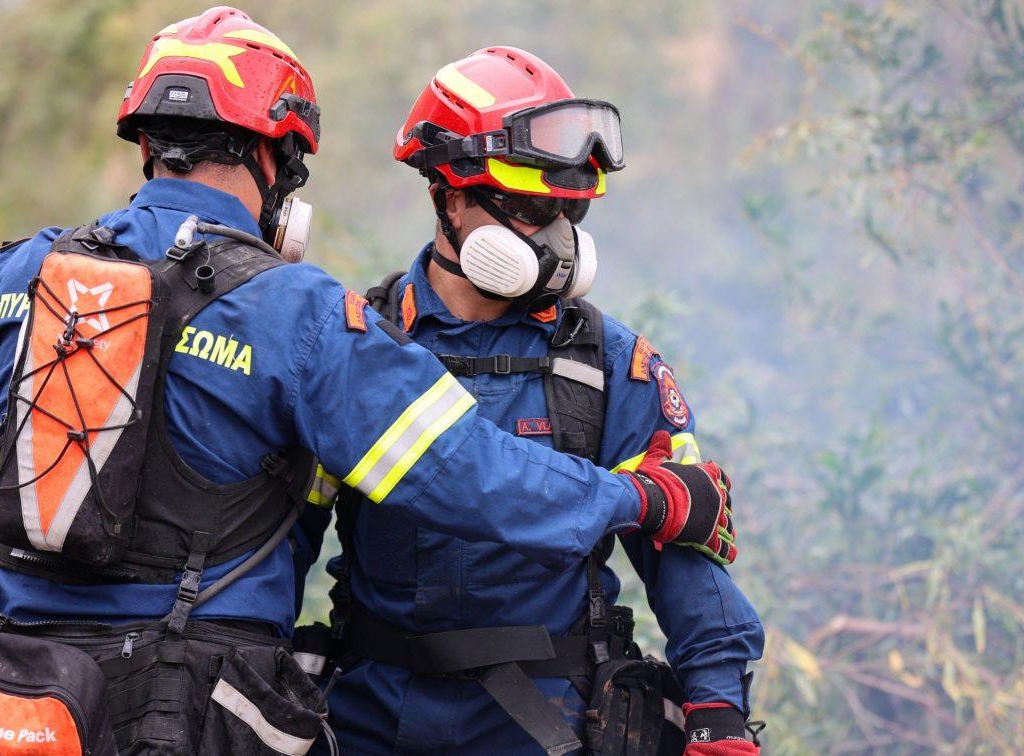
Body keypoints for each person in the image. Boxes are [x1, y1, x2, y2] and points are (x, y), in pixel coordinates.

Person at [0, 12, 737, 754]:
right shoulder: (304, 319)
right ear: (273, 153)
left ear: (149, 145)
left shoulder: (20, 273)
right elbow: (469, 475)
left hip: (20, 695)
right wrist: (645, 499)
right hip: (189, 713)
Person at [311, 47, 764, 755]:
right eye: (528, 208)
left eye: (567, 208)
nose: (555, 235)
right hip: (370, 719)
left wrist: (718, 710)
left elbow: (684, 557)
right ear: (449, 195)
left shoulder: (611, 365)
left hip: (547, 725)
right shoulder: (357, 348)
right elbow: (277, 540)